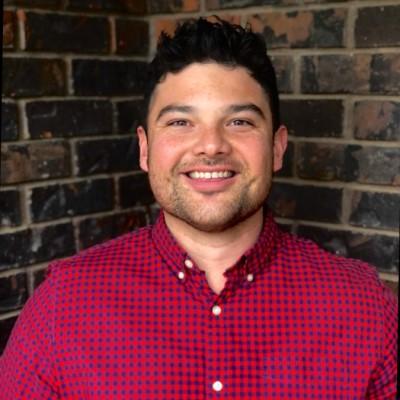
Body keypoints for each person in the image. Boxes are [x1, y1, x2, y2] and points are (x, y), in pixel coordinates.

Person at [0, 18, 397, 399]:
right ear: (145, 149)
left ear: (277, 147)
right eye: (180, 123)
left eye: (239, 122)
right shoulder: (65, 305)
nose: (211, 145)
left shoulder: (363, 307)